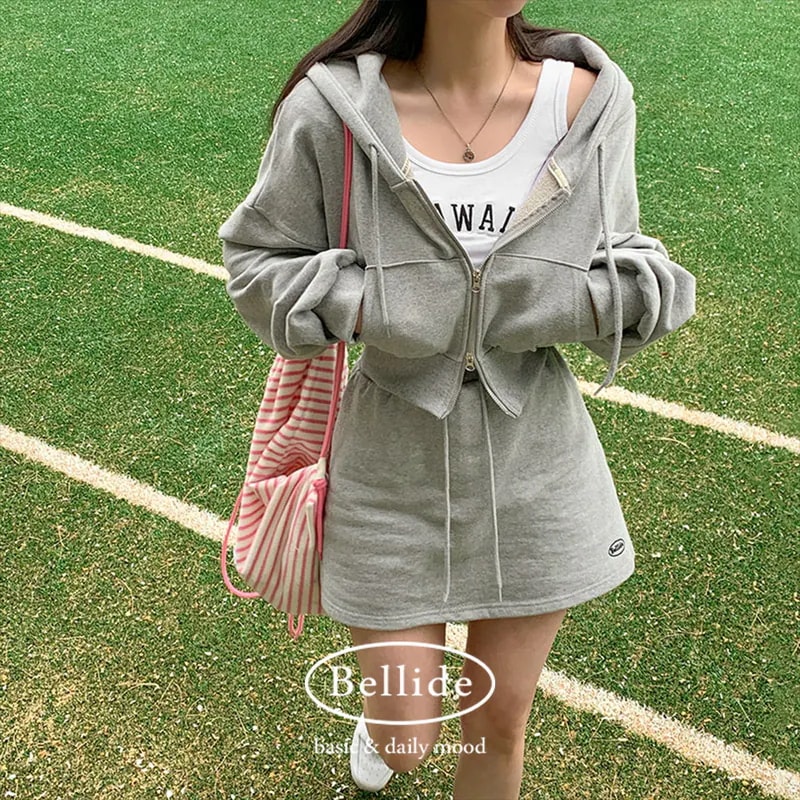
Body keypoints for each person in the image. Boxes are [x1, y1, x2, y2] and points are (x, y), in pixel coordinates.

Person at [218, 1, 696, 797]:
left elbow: (624, 256)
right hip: (389, 467)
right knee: (408, 741)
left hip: (538, 462)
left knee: (499, 726)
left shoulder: (590, 100)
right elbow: (256, 261)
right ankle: (384, 727)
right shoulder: (331, 108)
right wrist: (380, 306)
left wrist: (561, 302)